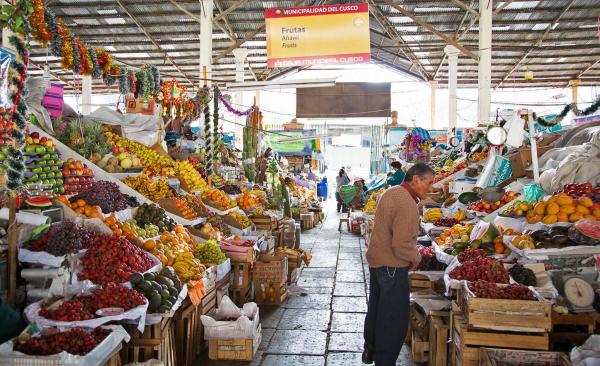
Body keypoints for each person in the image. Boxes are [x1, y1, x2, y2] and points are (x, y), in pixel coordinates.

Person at [362, 163, 435, 365]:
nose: (430, 189)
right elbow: (401, 245)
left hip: (377, 261)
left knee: (377, 309)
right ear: (416, 179)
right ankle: (384, 360)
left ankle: (371, 349)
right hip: (392, 266)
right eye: (429, 183)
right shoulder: (407, 204)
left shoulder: (392, 191)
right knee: (393, 317)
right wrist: (416, 257)